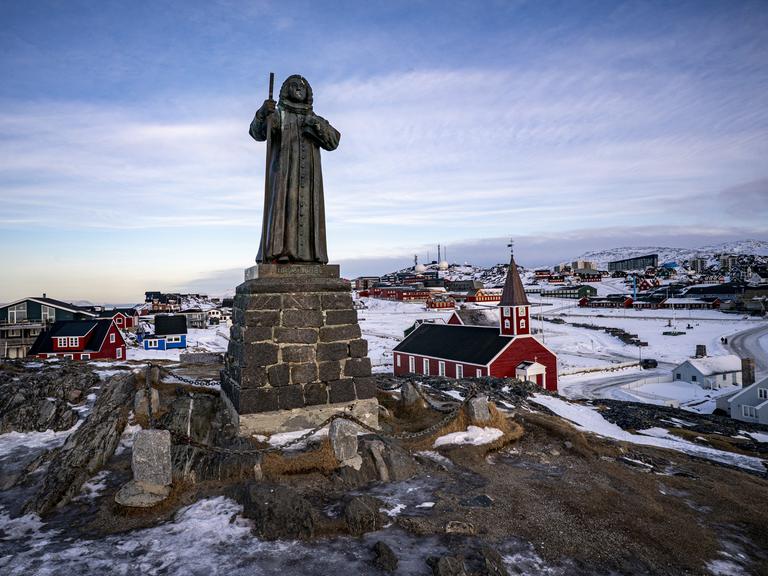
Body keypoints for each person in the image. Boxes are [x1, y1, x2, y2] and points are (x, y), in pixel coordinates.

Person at [250, 75, 340, 263]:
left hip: (309, 179)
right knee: (285, 207)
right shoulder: (278, 115)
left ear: (308, 93)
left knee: (309, 211)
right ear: (285, 90)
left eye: (302, 85)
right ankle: (280, 252)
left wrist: (316, 124)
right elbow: (257, 133)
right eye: (293, 85)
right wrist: (262, 113)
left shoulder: (315, 118)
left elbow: (333, 142)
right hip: (284, 175)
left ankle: (312, 255)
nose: (298, 88)